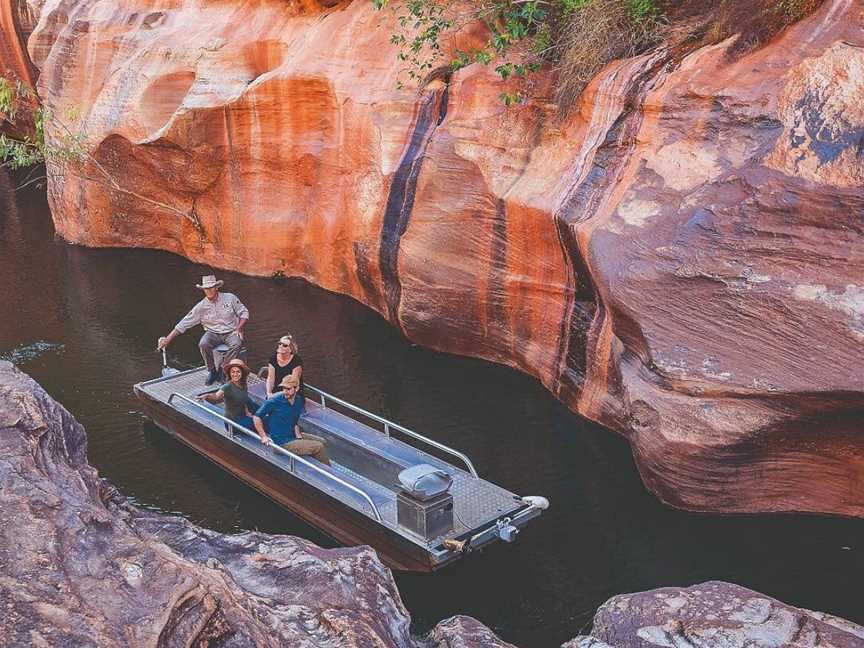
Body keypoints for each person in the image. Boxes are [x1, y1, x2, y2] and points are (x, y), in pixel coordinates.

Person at [157, 275, 249, 385]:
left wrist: (239, 328)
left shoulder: (230, 298)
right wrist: (168, 339)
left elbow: (244, 313)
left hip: (231, 331)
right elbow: (184, 323)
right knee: (203, 344)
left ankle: (224, 369)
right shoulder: (201, 307)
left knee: (237, 344)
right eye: (206, 288)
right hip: (212, 333)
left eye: (211, 287)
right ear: (203, 290)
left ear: (216, 287)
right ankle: (212, 371)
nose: (209, 290)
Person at [253, 375, 330, 465]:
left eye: (288, 389)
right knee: (319, 447)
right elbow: (256, 417)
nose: (285, 392)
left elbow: (294, 420)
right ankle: (329, 473)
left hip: (293, 436)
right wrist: (263, 436)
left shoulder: (298, 400)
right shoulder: (274, 401)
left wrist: (298, 435)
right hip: (281, 443)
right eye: (284, 388)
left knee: (323, 442)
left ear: (296, 388)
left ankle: (316, 464)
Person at [197, 359, 256, 433]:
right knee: (259, 422)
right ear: (230, 373)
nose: (235, 374)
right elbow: (216, 396)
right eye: (233, 372)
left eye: (238, 372)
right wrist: (206, 395)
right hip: (233, 422)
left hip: (243, 414)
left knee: (259, 411)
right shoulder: (227, 386)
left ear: (242, 373)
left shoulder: (243, 384)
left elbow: (244, 399)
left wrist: (247, 412)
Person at [265, 334, 304, 398]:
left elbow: (293, 383)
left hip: (292, 392)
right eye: (280, 343)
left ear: (291, 349)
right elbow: (270, 378)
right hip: (277, 390)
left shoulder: (296, 361)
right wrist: (269, 393)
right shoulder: (273, 358)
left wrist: (278, 395)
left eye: (284, 345)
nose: (280, 346)